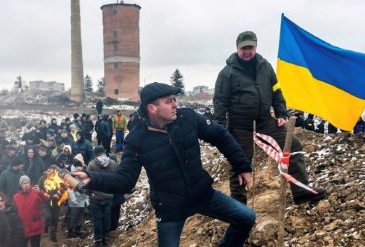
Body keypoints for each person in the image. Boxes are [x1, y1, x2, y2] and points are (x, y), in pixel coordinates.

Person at [73, 82, 256, 247]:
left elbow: (219, 135)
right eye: (169, 101)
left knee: (247, 217)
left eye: (174, 99)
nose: (175, 104)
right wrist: (92, 178)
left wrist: (242, 166)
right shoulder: (137, 139)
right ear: (152, 108)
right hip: (170, 209)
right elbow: (125, 180)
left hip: (202, 194)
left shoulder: (188, 118)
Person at [213, 31, 326, 205]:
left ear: (256, 46)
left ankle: (302, 192)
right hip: (240, 126)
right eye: (244, 48)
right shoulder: (226, 73)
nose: (247, 51)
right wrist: (219, 129)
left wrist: (280, 113)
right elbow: (219, 102)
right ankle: (238, 205)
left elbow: (276, 91)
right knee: (239, 162)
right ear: (237, 48)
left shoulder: (265, 66)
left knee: (293, 145)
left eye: (250, 47)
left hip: (265, 121)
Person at [86, 145, 117, 246]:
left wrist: (89, 193)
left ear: (95, 153)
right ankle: (106, 238)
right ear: (104, 152)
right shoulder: (113, 164)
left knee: (97, 219)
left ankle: (98, 239)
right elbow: (117, 178)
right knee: (107, 217)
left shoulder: (91, 164)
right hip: (109, 195)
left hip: (95, 196)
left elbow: (88, 180)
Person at [13, 175, 49, 247]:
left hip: (35, 226)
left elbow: (46, 198)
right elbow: (15, 211)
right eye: (24, 183)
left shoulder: (36, 192)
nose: (27, 185)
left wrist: (40, 192)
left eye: (28, 182)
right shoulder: (16, 197)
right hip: (23, 227)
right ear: (21, 185)